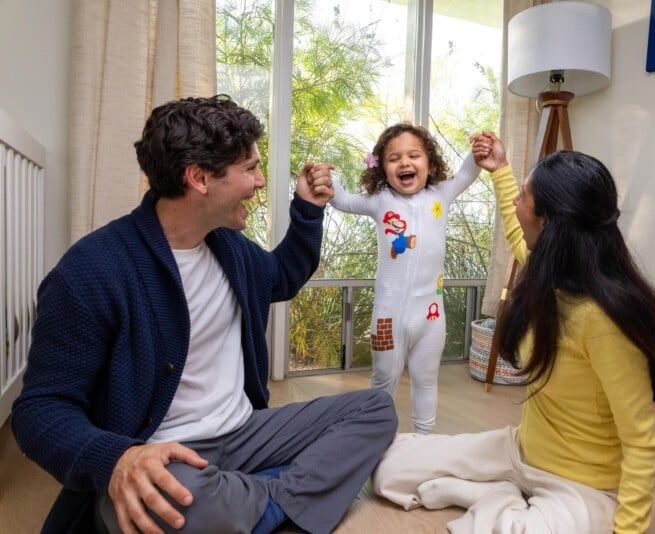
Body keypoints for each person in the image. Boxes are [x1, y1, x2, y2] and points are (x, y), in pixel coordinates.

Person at [11, 95, 398, 534]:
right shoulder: (91, 271)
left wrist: (307, 208)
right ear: (198, 178)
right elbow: (40, 410)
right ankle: (272, 499)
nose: (258, 182)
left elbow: (283, 276)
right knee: (164, 503)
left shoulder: (228, 248)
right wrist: (117, 459)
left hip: (243, 432)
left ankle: (254, 503)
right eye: (249, 169)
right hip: (164, 453)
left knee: (375, 409)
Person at [371, 133, 655, 534]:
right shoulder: (549, 272)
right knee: (387, 472)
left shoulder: (605, 321)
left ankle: (498, 499)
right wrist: (500, 171)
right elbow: (518, 233)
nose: (517, 203)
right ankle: (499, 494)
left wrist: (628, 530)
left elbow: (642, 442)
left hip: (582, 484)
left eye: (525, 197)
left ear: (548, 221)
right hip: (520, 451)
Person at [328, 123, 482, 434]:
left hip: (431, 316)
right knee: (383, 382)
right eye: (394, 158)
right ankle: (372, 440)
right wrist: (326, 178)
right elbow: (342, 200)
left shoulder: (442, 193)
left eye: (414, 155)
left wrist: (478, 152)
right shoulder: (380, 200)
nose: (405, 163)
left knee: (426, 380)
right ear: (381, 168)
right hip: (387, 317)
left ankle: (423, 443)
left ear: (430, 163)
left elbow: (467, 173)